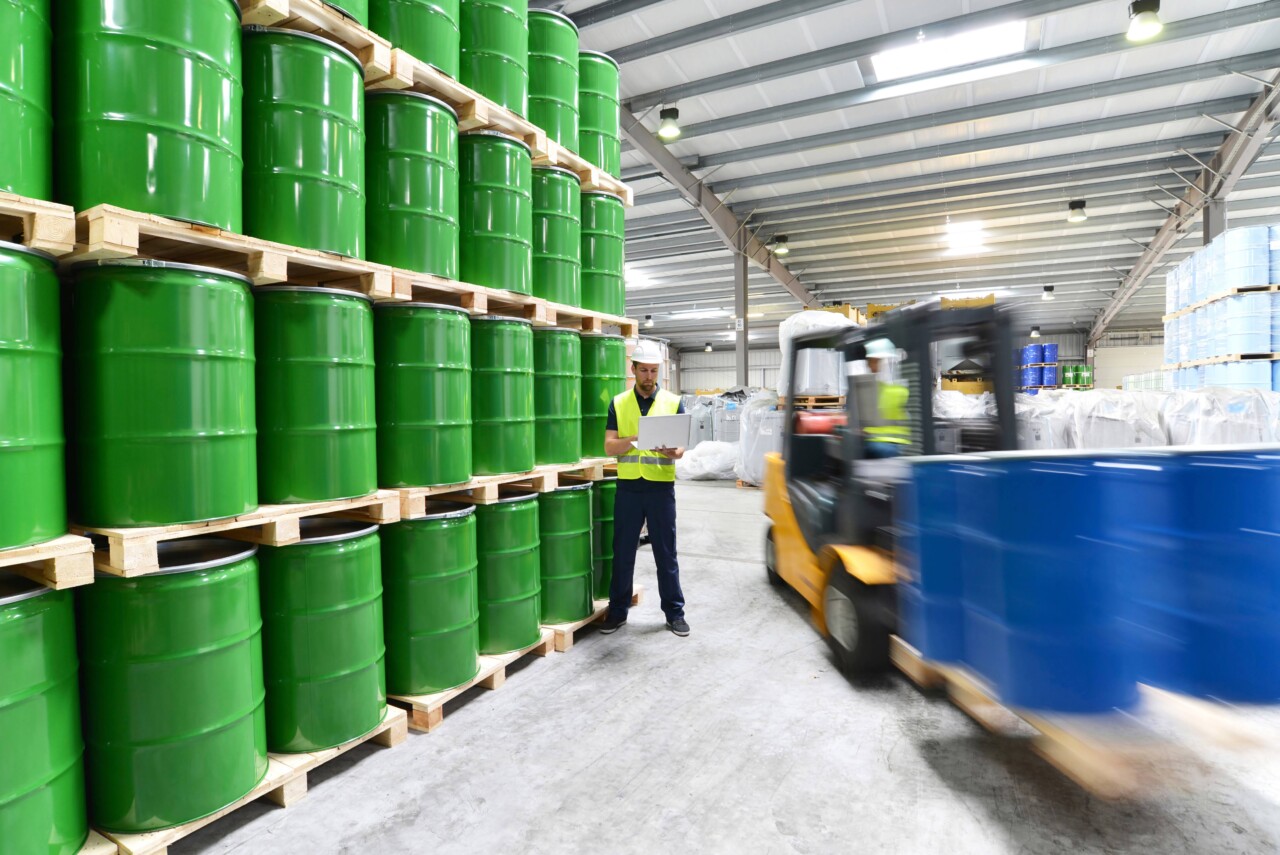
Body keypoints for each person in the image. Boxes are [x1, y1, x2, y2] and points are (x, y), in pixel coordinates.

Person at [599, 339, 690, 637]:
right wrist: (635, 438)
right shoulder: (619, 402)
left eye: (654, 371)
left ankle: (674, 613)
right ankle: (617, 611)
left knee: (666, 553)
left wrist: (673, 453)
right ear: (633, 369)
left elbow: (680, 449)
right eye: (644, 371)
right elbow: (610, 446)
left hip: (660, 490)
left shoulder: (674, 402)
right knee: (623, 551)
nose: (649, 377)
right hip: (628, 488)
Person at [863, 338, 910, 459]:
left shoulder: (892, 390)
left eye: (870, 361)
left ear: (880, 361)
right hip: (886, 443)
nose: (867, 365)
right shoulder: (893, 387)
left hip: (884, 444)